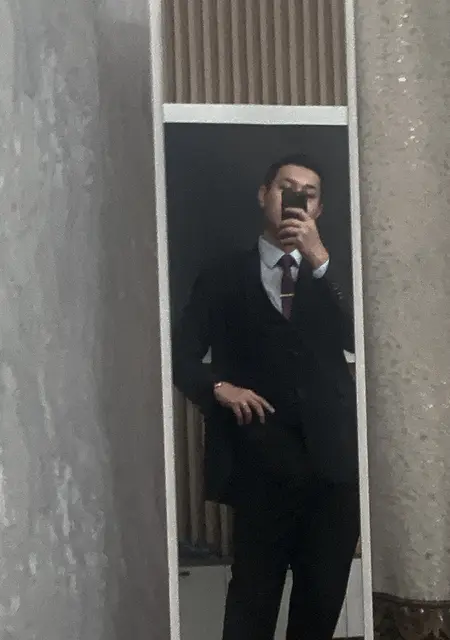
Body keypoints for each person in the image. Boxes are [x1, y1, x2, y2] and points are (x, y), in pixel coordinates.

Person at [172, 154, 360, 640]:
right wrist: (218, 386)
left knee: (319, 612)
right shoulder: (221, 275)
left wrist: (321, 262)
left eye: (308, 195)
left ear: (319, 209)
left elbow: (362, 339)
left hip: (335, 474)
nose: (296, 200)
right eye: (285, 188)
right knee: (249, 612)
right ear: (263, 195)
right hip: (260, 472)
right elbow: (179, 355)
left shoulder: (337, 275)